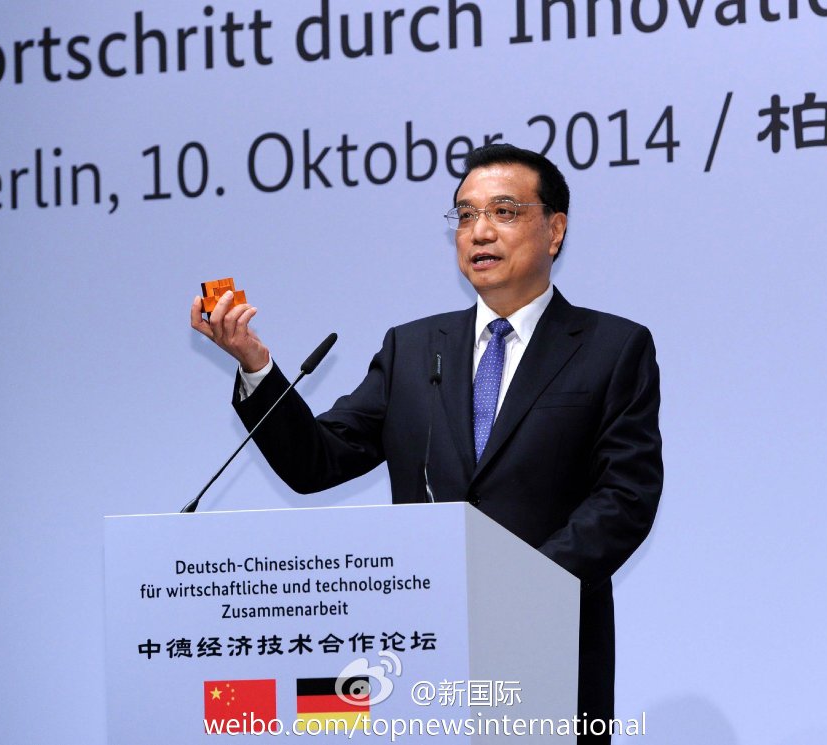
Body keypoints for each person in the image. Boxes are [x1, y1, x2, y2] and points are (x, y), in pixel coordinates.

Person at [191, 143, 663, 743]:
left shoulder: (611, 347)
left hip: (547, 647)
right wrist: (257, 366)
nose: (479, 231)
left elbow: (625, 496)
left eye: (504, 212)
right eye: (465, 216)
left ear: (555, 230)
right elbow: (317, 462)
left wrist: (525, 585)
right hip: (422, 661)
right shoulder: (412, 349)